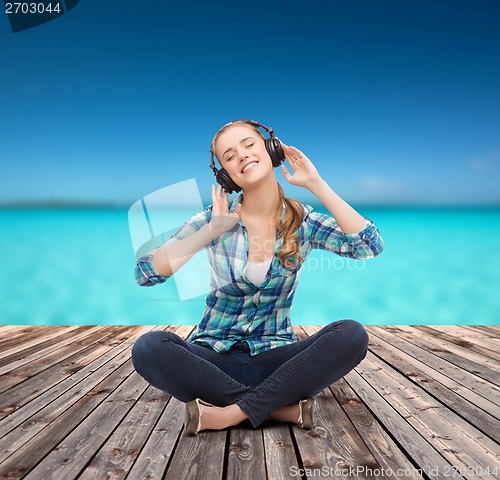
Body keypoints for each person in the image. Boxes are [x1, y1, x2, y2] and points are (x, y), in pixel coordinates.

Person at [131, 119, 384, 435]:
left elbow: (368, 246)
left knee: (352, 334)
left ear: (271, 149)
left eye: (249, 145)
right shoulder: (214, 218)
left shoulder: (303, 221)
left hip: (276, 359)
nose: (242, 156)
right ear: (225, 174)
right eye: (229, 155)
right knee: (148, 347)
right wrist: (210, 232)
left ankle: (229, 413)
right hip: (211, 358)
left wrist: (317, 183)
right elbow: (145, 273)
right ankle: (275, 407)